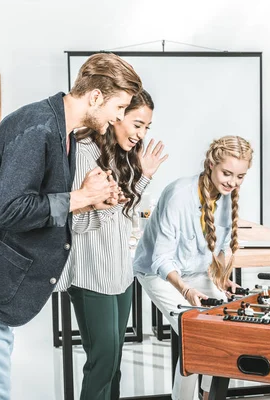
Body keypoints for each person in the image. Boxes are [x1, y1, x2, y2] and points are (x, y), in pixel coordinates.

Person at [0, 52, 141, 399]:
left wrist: (89, 200)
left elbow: (36, 204)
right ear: (95, 97)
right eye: (119, 107)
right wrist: (79, 197)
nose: (119, 118)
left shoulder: (64, 133)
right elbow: (11, 210)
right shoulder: (38, 127)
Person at [56, 89, 167, 400]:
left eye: (146, 127)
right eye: (136, 124)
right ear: (116, 116)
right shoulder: (83, 151)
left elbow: (125, 211)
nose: (141, 134)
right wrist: (99, 205)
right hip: (92, 274)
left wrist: (143, 176)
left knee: (114, 361)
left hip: (119, 273)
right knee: (102, 361)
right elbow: (74, 222)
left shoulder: (120, 154)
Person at [133, 135, 253, 400]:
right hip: (158, 274)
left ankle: (209, 394)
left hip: (197, 272)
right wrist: (187, 292)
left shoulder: (226, 197)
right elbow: (161, 259)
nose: (233, 182)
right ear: (211, 164)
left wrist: (223, 279)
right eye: (227, 173)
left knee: (224, 328)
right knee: (197, 334)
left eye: (240, 176)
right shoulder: (179, 194)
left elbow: (220, 249)